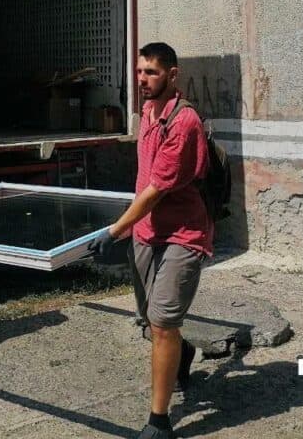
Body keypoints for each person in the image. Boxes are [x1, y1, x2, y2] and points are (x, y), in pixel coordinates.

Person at [89, 42, 212, 439]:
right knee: (150, 322)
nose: (142, 79)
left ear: (172, 75)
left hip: (182, 235)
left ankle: (159, 422)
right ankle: (183, 352)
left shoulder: (183, 121)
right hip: (146, 231)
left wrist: (114, 230)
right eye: (140, 71)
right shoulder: (146, 111)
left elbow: (157, 189)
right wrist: (130, 229)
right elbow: (143, 180)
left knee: (161, 325)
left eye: (152, 72)